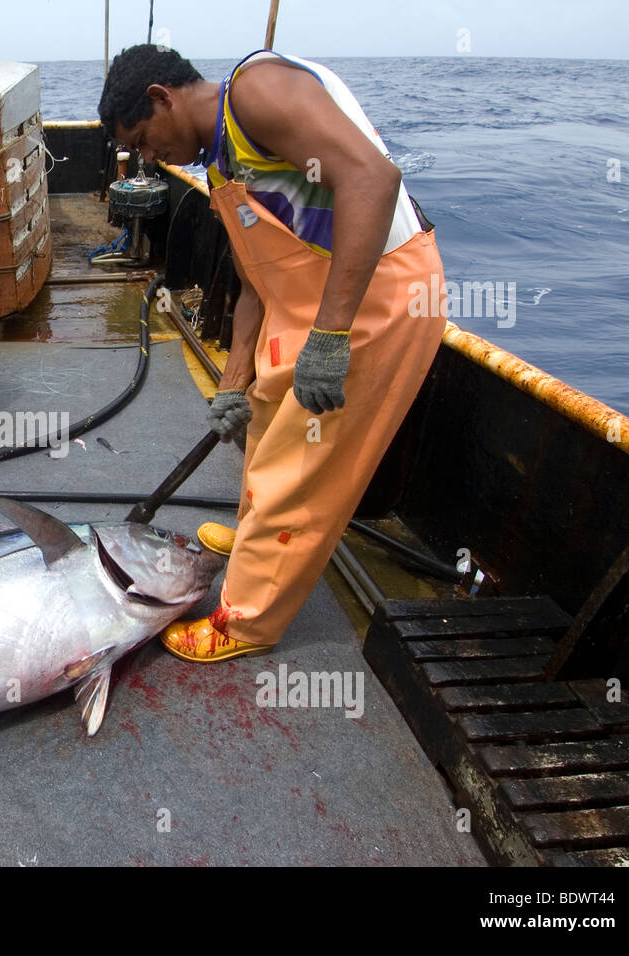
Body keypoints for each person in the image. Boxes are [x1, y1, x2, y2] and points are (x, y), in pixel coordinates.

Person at [99, 45, 446, 662]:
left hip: (375, 294)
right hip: (302, 294)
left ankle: (247, 620)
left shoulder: (255, 93)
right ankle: (259, 538)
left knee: (301, 461)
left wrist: (333, 336)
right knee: (262, 419)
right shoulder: (219, 162)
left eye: (145, 140)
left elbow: (373, 177)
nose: (149, 159)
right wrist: (234, 380)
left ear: (162, 96)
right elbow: (255, 272)